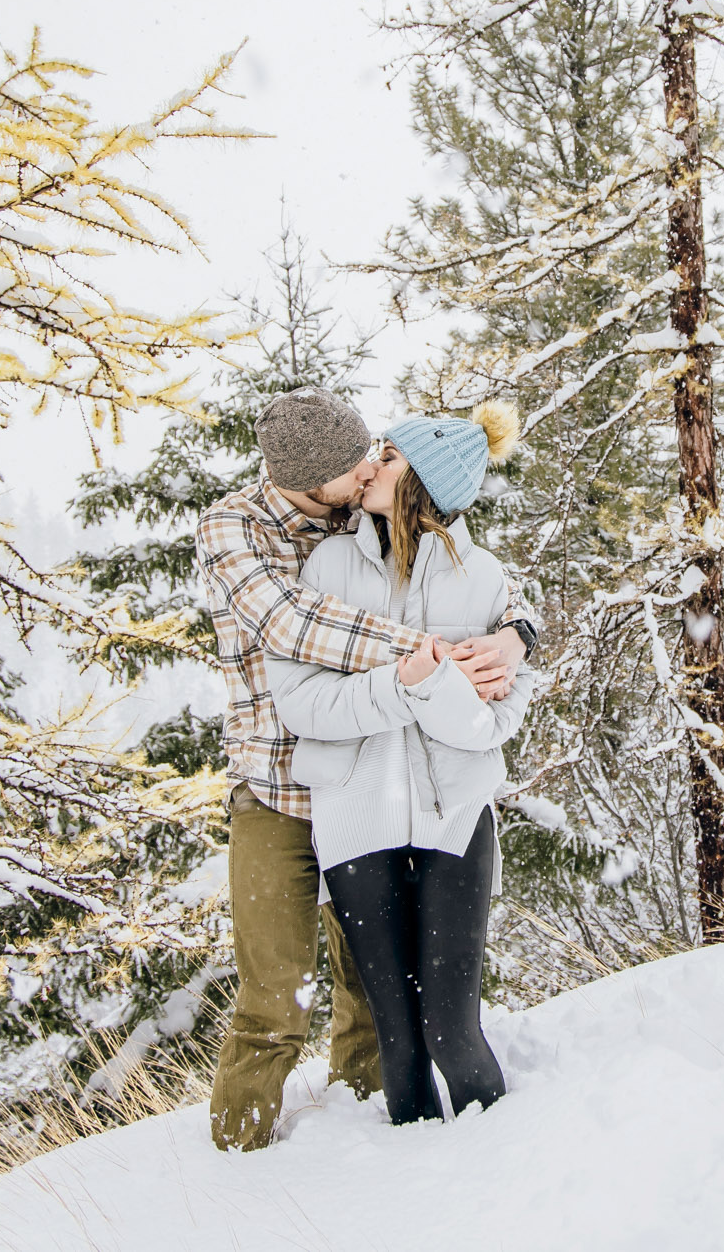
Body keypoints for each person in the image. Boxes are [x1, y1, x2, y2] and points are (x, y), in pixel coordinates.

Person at [195, 387, 538, 1151]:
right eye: (355, 467)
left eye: (375, 456)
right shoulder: (236, 528)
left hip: (365, 791)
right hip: (277, 790)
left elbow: (459, 555)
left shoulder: (359, 509)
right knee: (276, 995)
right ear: (309, 479)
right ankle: (236, 1160)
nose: (367, 472)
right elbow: (294, 625)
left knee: (369, 1002)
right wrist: (437, 661)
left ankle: (367, 1137)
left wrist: (516, 633)